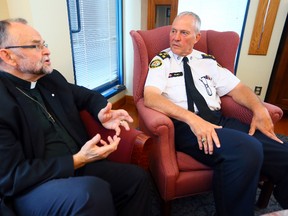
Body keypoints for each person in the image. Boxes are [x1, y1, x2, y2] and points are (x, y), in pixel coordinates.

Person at [0, 18, 151, 216]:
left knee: (137, 178)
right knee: (91, 192)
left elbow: (86, 96)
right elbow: (12, 177)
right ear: (8, 56)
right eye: (35, 46)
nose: (46, 51)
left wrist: (101, 112)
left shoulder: (49, 79)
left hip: (78, 165)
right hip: (33, 187)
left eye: (43, 44)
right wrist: (76, 160)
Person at [144, 11, 288, 216]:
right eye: (173, 31)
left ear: (197, 37)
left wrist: (259, 109)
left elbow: (238, 88)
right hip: (187, 127)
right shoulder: (162, 61)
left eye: (184, 32)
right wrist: (192, 119)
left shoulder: (207, 61)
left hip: (220, 120)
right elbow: (150, 97)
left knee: (284, 152)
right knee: (248, 149)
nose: (175, 37)